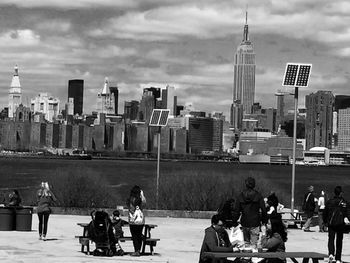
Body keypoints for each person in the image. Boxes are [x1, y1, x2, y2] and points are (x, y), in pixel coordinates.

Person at [233, 177, 267, 249]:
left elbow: (236, 211)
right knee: (254, 245)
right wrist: (264, 221)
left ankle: (246, 258)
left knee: (246, 244)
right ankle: (253, 258)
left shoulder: (241, 196)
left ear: (246, 184)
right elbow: (264, 210)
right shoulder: (258, 195)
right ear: (254, 185)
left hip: (244, 222)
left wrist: (234, 221)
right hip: (255, 222)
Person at [323, 186, 350, 263]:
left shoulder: (329, 201)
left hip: (331, 224)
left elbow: (325, 213)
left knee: (331, 239)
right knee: (339, 241)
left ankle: (331, 254)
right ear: (341, 193)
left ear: (334, 193)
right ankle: (338, 258)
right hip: (340, 224)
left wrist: (325, 222)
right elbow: (348, 213)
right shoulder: (344, 202)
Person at [127, 185, 146, 257]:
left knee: (134, 236)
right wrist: (142, 195)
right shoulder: (141, 200)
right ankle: (139, 250)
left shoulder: (130, 199)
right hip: (141, 221)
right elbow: (144, 204)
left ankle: (136, 250)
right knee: (139, 235)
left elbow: (129, 207)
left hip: (132, 220)